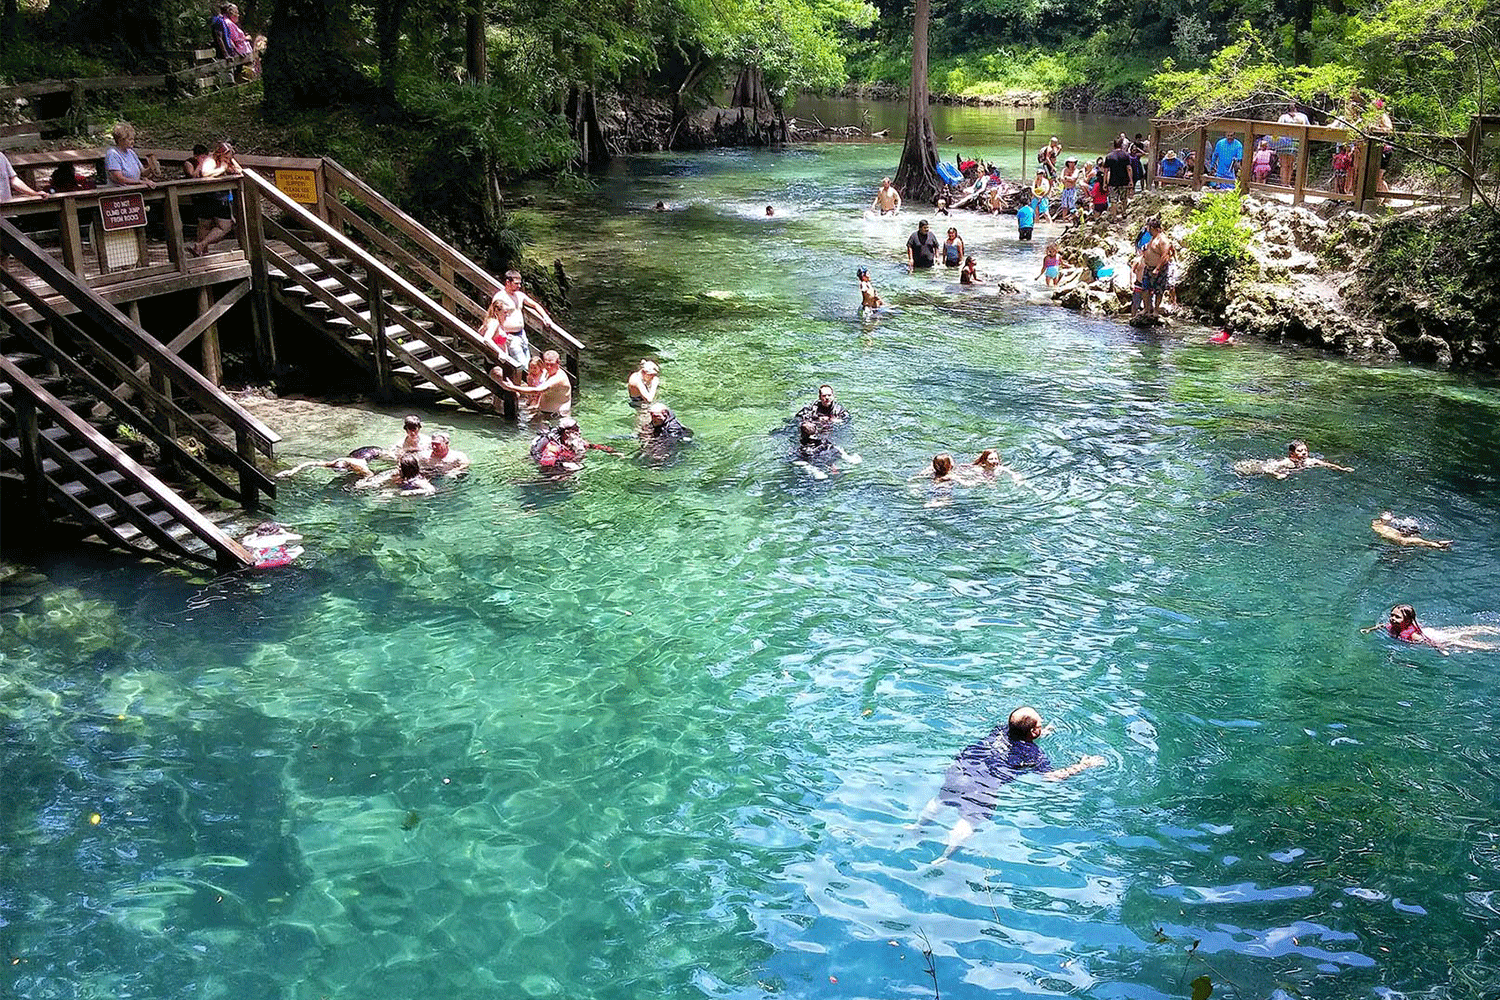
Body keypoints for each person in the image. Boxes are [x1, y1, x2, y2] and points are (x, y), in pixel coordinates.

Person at [911, 707, 1106, 862]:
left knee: (942, 799)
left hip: (962, 768)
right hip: (984, 784)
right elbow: (1050, 777)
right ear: (1033, 731)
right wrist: (1083, 766)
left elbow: (1018, 735)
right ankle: (944, 857)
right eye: (1040, 723)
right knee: (970, 819)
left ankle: (916, 826)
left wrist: (1039, 733)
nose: (1043, 722)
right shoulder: (1033, 754)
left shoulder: (1000, 730)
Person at [479, 270, 571, 376]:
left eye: (520, 283)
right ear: (508, 282)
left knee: (528, 362)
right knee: (522, 365)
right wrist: (501, 335)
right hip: (510, 336)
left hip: (521, 334)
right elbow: (495, 315)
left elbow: (535, 305)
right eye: (516, 283)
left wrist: (546, 317)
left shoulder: (519, 295)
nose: (519, 286)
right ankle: (524, 389)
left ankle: (530, 386)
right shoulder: (500, 297)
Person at [1361, 605, 1500, 653]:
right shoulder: (1391, 626)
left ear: (1407, 621)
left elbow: (1428, 642)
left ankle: (1489, 644)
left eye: (1397, 617)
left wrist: (1440, 648)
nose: (1392, 618)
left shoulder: (1413, 635)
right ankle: (1486, 630)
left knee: (1459, 640)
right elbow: (1381, 626)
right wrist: (1370, 629)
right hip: (1428, 632)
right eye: (1392, 615)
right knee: (1458, 634)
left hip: (1433, 637)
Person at [185, 140, 241, 257]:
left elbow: (240, 171)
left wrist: (231, 161)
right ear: (220, 154)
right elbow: (205, 173)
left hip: (222, 197)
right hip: (210, 196)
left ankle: (200, 246)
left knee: (222, 226)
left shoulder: (228, 162)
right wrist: (222, 169)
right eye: (226, 157)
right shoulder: (210, 160)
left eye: (229, 157)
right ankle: (201, 251)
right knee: (212, 225)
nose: (227, 160)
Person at [502, 349, 572, 420]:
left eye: (552, 365)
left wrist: (513, 387)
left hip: (558, 416)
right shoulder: (547, 372)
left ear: (558, 363)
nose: (549, 367)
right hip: (544, 413)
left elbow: (537, 390)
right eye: (547, 364)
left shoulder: (558, 377)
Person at [1237, 439, 1354, 479]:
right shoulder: (1286, 462)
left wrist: (1342, 469)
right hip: (1260, 467)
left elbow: (1326, 464)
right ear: (1291, 453)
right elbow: (1267, 469)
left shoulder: (1310, 461)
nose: (1304, 453)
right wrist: (1276, 475)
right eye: (1300, 451)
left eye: (1305, 450)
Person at [791, 421, 860, 481]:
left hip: (813, 456)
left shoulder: (801, 448)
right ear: (816, 431)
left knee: (800, 461)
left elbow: (794, 458)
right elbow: (835, 448)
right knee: (835, 450)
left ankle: (815, 471)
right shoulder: (824, 441)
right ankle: (848, 458)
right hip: (828, 452)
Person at [1139, 219, 1174, 316]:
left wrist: (1157, 268)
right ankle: (1146, 309)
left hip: (1158, 269)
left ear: (1154, 228)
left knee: (1158, 290)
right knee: (1145, 289)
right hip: (1148, 267)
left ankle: (1156, 310)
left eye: (1149, 228)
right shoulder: (1153, 238)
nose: (1148, 230)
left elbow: (1165, 255)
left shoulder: (1163, 240)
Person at [355, 455, 436, 496]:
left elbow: (431, 490)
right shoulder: (400, 476)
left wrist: (405, 493)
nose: (398, 468)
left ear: (406, 468)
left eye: (400, 467)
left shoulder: (418, 481)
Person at [106, 123, 155, 189]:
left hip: (134, 189)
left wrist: (151, 168)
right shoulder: (113, 154)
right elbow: (118, 178)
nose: (132, 142)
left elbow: (142, 173)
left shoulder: (131, 152)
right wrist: (140, 182)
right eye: (129, 139)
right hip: (119, 191)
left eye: (133, 139)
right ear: (120, 140)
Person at [1371, 512, 1452, 549]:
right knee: (1420, 542)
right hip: (1400, 541)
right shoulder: (1381, 528)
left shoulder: (1377, 524)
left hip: (1397, 540)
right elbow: (1402, 541)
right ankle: (1437, 545)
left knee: (1420, 542)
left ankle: (1436, 544)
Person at [1276, 103, 1310, 187]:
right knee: (1290, 164)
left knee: (1284, 164)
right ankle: (1286, 183)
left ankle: (1284, 183)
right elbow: (1308, 127)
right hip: (1295, 142)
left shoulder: (1283, 117)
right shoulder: (1303, 116)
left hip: (1284, 143)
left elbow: (1277, 128)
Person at [276, 453, 375, 480]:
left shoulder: (359, 467)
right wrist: (293, 471)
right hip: (356, 454)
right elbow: (310, 463)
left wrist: (362, 482)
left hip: (372, 453)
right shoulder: (333, 463)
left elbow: (370, 474)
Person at [1104, 138, 1132, 218]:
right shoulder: (1126, 155)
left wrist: (1105, 183)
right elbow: (1129, 169)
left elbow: (1106, 171)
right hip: (1124, 181)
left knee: (1113, 200)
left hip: (1113, 181)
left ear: (1114, 145)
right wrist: (1131, 181)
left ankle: (1114, 216)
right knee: (1124, 199)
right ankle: (1124, 213)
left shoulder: (1109, 156)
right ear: (1122, 145)